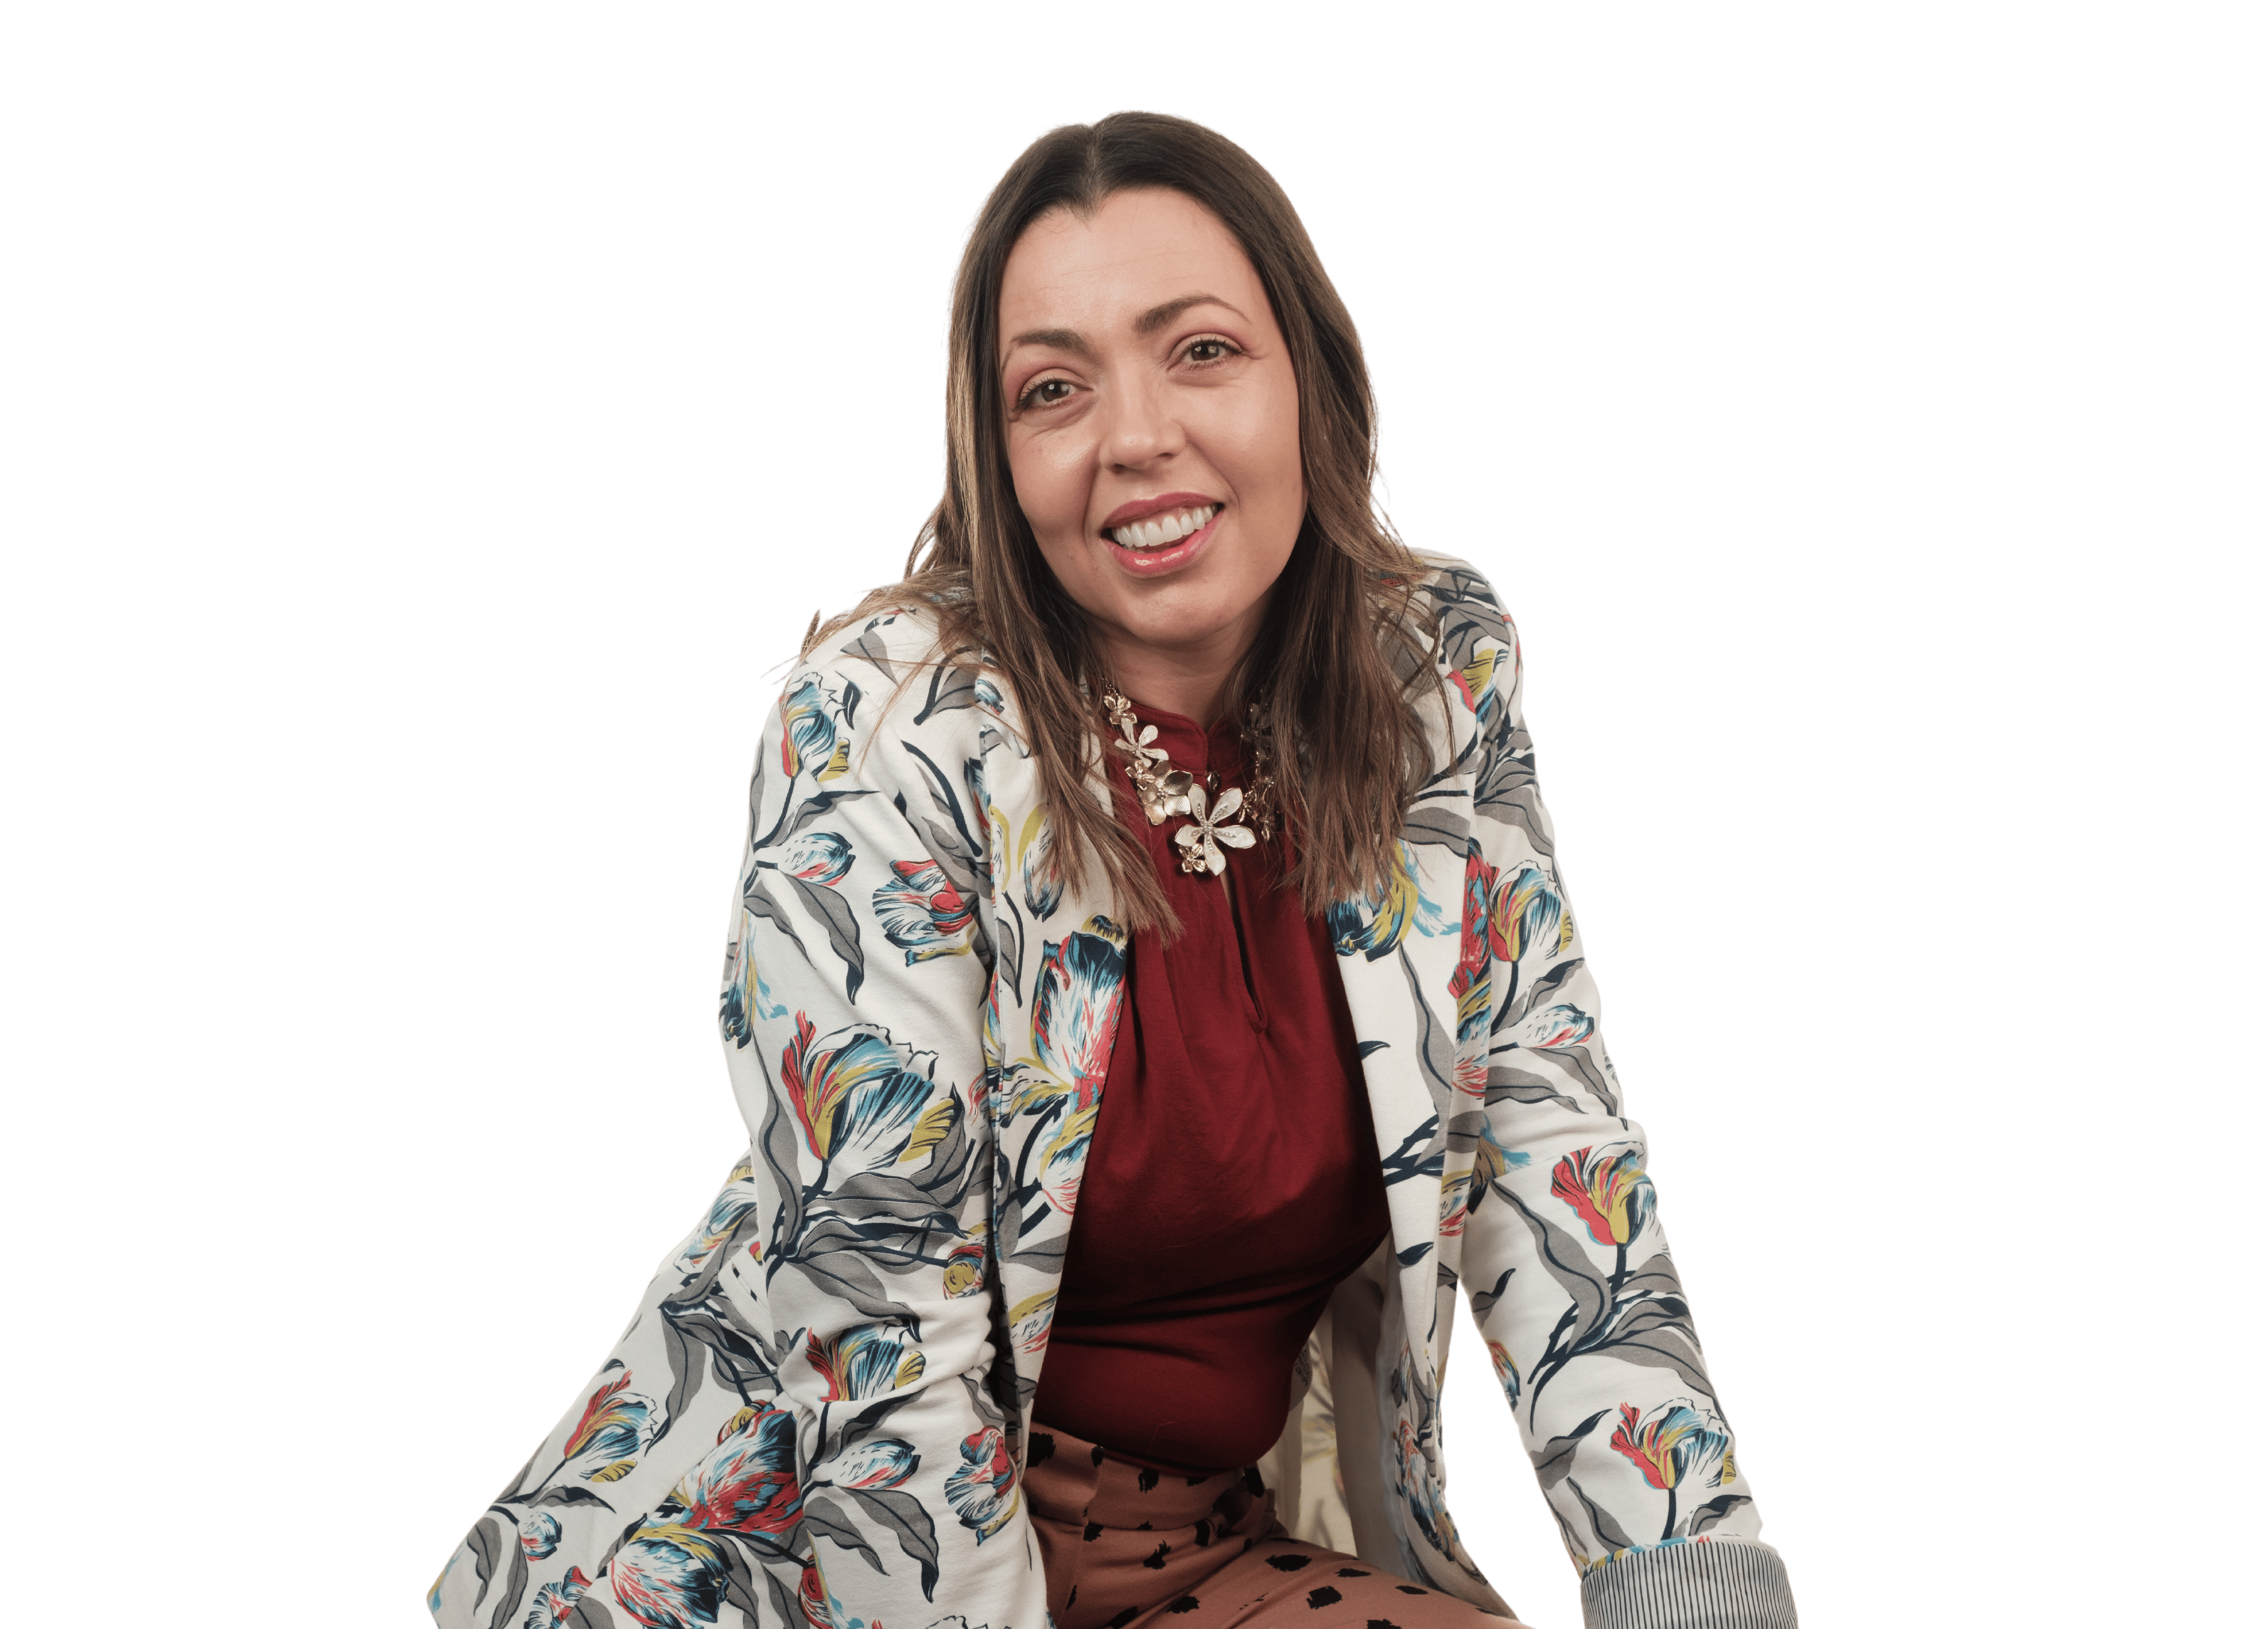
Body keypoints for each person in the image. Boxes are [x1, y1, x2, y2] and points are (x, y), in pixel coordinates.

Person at [426, 110, 1798, 1629]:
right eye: (1053, 390)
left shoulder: (1429, 675)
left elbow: (1552, 1146)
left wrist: (1684, 1582)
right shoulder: (891, 725)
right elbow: (875, 1328)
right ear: (998, 460)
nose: (1135, 436)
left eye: (1200, 351)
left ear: (1313, 382)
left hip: (1189, 1547)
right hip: (799, 1567)